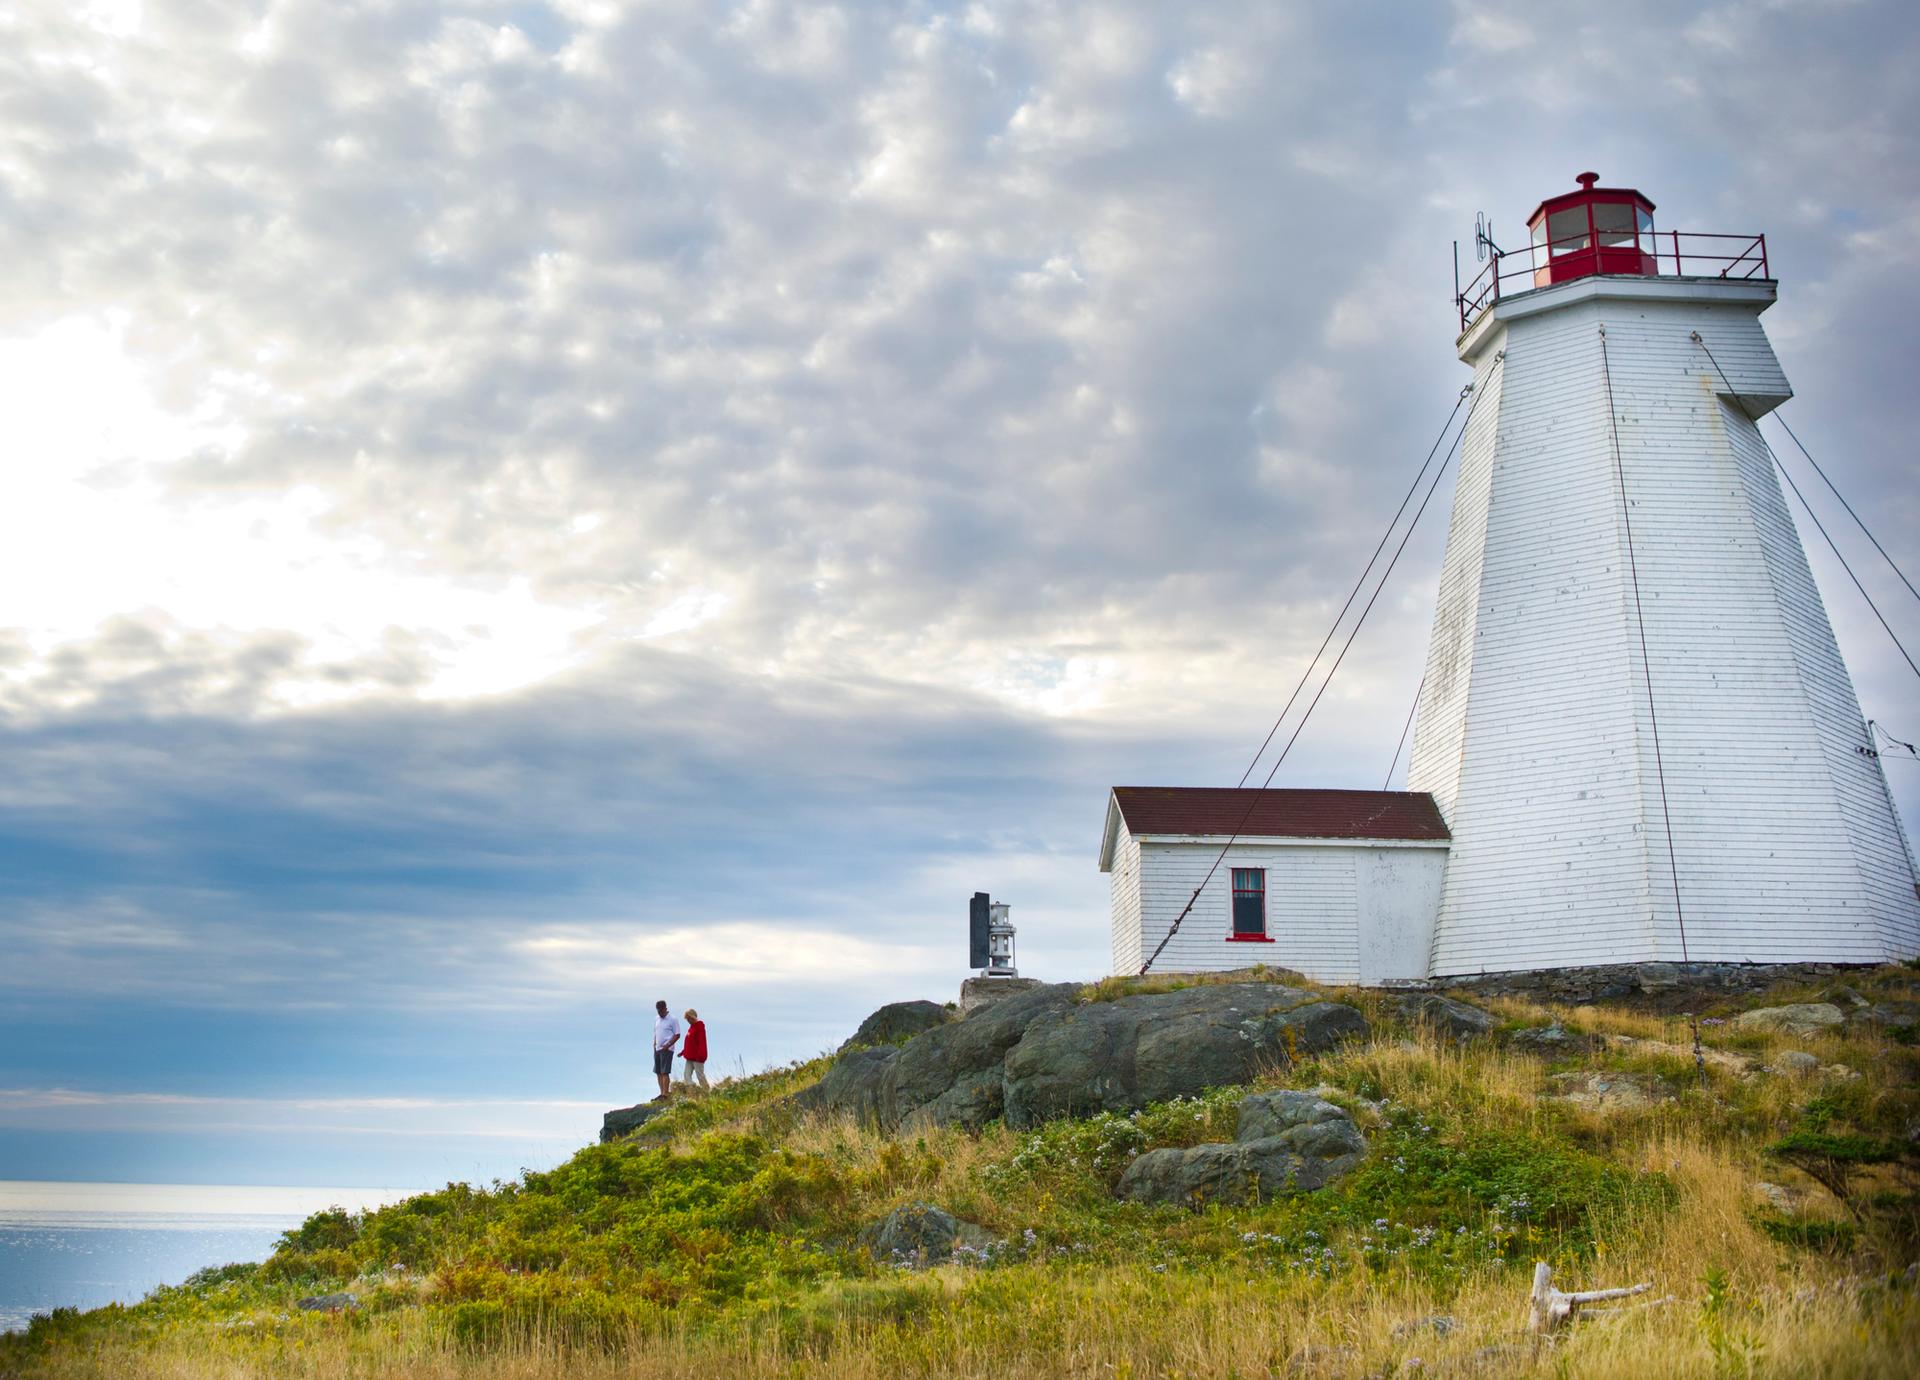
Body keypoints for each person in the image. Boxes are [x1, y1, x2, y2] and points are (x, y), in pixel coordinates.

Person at [651, 999, 681, 1100]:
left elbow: (677, 1034)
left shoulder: (672, 1019)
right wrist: (654, 1044)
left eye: (661, 1011)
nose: (659, 1013)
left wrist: (668, 1045)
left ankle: (665, 1094)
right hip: (657, 1049)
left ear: (665, 1008)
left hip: (667, 1049)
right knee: (658, 1072)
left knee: (665, 1072)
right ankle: (661, 1093)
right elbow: (656, 1032)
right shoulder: (656, 1019)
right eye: (658, 1011)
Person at [680, 1008, 709, 1093]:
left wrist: (701, 1056)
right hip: (689, 1057)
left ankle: (707, 1092)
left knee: (700, 1076)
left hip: (698, 1057)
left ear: (694, 1017)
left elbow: (702, 1042)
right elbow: (690, 1043)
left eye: (689, 1018)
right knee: (686, 1075)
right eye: (687, 1019)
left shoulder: (699, 1026)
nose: (688, 1021)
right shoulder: (691, 1028)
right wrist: (683, 1052)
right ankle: (692, 1092)